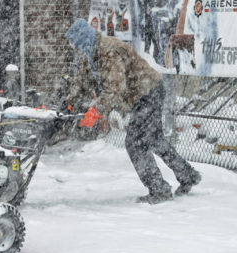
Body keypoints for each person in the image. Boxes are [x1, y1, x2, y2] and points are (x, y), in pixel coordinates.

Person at [65, 18, 201, 204]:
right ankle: (188, 175)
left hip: (148, 93)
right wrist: (69, 104)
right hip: (143, 94)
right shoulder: (92, 54)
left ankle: (159, 189)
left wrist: (95, 112)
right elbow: (82, 82)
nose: (76, 49)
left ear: (84, 40)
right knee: (154, 139)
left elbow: (115, 89)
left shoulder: (108, 51)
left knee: (135, 143)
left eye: (76, 45)